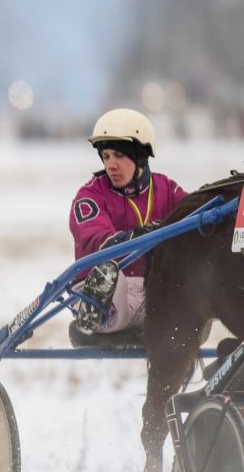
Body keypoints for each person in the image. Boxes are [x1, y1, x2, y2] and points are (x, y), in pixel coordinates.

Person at [70, 108, 187, 336]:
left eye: (119, 156)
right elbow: (96, 239)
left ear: (140, 156)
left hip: (153, 296)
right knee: (110, 272)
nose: (111, 165)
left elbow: (196, 219)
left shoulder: (167, 189)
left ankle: (189, 323)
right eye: (106, 156)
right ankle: (94, 310)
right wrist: (144, 236)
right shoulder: (90, 195)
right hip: (114, 293)